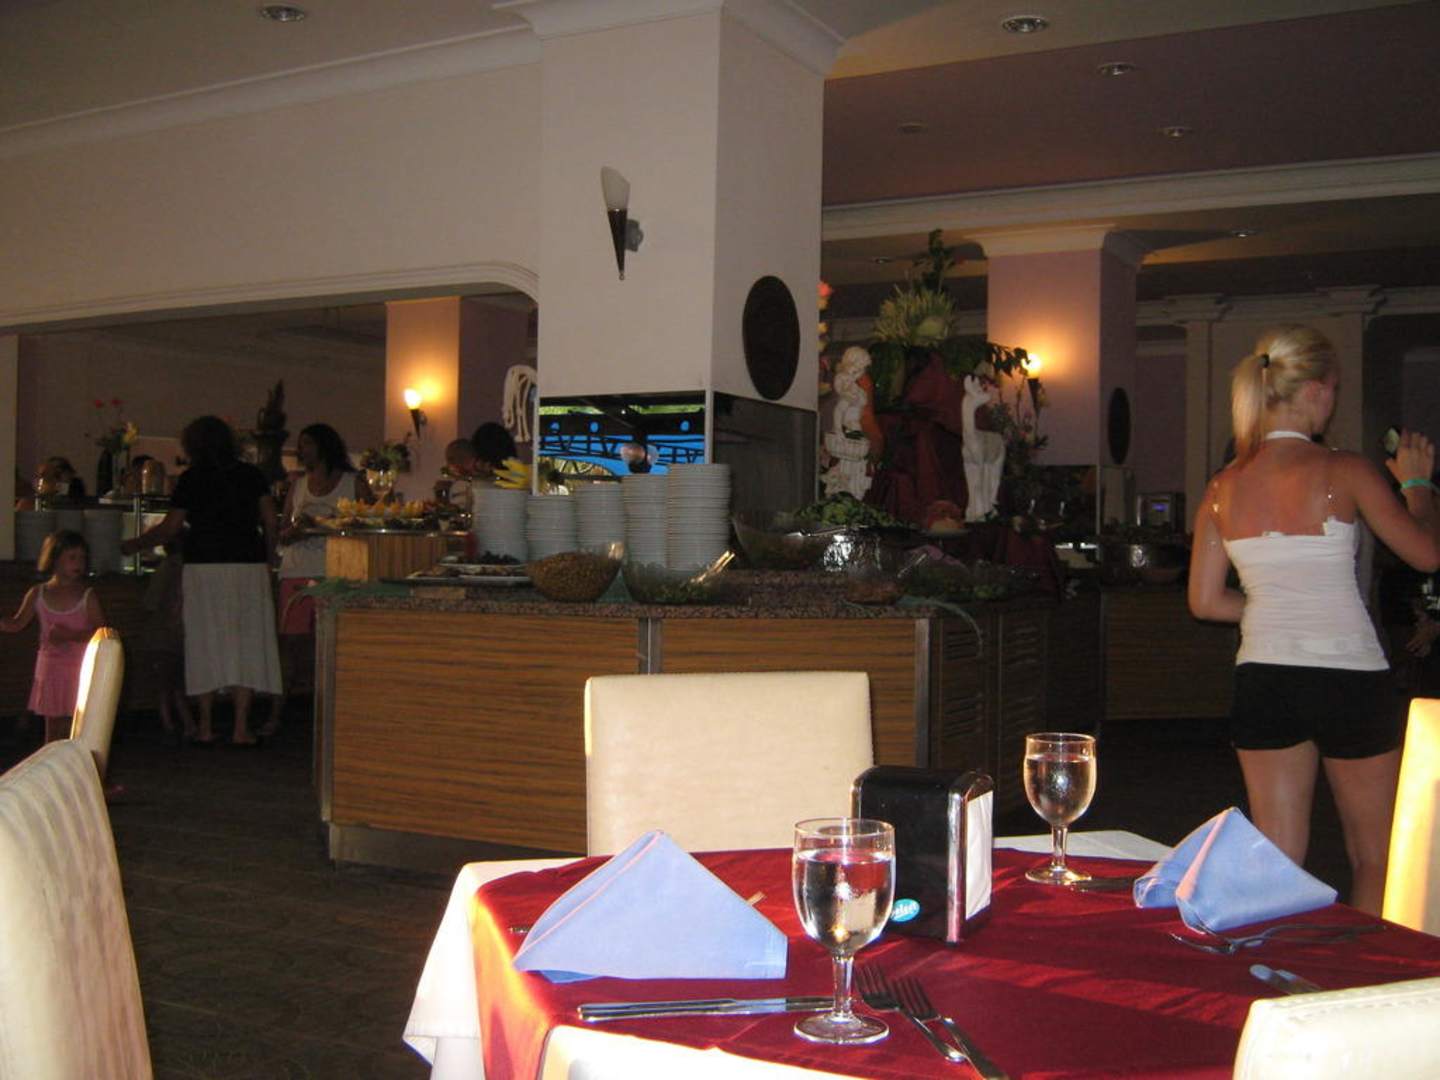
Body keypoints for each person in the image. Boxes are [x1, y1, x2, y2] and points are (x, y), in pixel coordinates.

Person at [1188, 324, 1440, 914]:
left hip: (1265, 677)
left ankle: (1274, 962)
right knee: (1375, 855)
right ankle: (1365, 968)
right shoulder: (1343, 469)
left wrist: (1275, 607)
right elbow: (1427, 555)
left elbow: (1205, 602)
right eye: (1334, 391)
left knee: (1277, 855)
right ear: (1316, 390)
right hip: (1347, 674)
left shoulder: (1223, 486)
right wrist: (1418, 485)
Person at [122, 415, 281, 747]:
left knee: (204, 642)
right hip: (248, 566)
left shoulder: (191, 478)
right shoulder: (251, 475)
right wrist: (270, 558)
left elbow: (170, 527)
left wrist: (135, 544)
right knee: (247, 643)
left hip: (203, 567)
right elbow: (269, 520)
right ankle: (241, 727)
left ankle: (206, 725)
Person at [266, 423, 369, 736]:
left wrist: (332, 526)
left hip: (337, 570)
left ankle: (331, 714)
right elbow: (283, 530)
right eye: (301, 445)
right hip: (297, 569)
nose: (303, 450)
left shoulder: (352, 482)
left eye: (308, 443)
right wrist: (295, 532)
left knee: (331, 644)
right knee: (291, 644)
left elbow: (369, 524)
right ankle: (277, 714)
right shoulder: (298, 485)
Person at [1, 530, 107, 743]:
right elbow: (16, 623)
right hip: (51, 670)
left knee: (76, 727)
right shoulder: (38, 593)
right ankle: (54, 762)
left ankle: (74, 762)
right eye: (72, 557)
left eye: (82, 558)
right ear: (54, 559)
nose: (79, 563)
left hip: (80, 669)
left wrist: (72, 635)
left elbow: (103, 633)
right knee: (53, 729)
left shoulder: (86, 596)